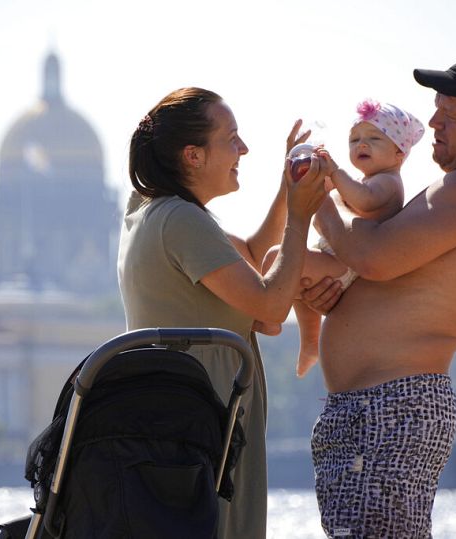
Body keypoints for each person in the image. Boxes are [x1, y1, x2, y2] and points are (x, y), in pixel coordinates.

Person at [300, 56, 456, 537]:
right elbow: (380, 275)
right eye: (436, 108)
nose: (434, 123)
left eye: (452, 115)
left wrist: (315, 202)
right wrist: (337, 295)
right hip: (378, 407)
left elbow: (373, 257)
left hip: (389, 407)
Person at [118, 87, 329, 539]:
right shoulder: (182, 221)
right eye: (232, 138)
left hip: (190, 419)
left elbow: (252, 254)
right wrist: (301, 216)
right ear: (193, 156)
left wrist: (287, 192)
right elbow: (272, 304)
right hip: (207, 424)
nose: (244, 148)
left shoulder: (153, 211)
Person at [262, 99, 425, 377]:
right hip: (334, 257)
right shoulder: (363, 180)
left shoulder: (388, 182)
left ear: (400, 153)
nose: (362, 144)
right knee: (294, 283)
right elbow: (342, 199)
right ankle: (311, 342)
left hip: (344, 265)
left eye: (374, 138)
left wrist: (336, 174)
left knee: (276, 258)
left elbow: (363, 200)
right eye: (355, 139)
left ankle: (267, 315)